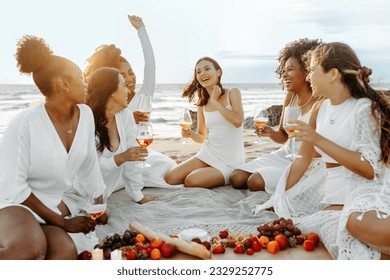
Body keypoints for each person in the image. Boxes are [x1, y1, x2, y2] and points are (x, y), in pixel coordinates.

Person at [255, 42, 389, 259]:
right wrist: (280, 197)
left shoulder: (363, 109)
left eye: (313, 69)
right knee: (330, 234)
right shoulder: (320, 108)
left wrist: (318, 139)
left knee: (352, 227)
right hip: (334, 201)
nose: (308, 76)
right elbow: (302, 159)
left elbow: (368, 168)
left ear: (333, 74)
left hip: (369, 195)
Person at [0, 35, 106, 259]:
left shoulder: (85, 115)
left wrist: (99, 201)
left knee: (65, 252)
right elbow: (11, 186)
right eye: (81, 77)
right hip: (13, 203)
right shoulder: (25, 123)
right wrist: (61, 222)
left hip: (49, 207)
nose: (86, 82)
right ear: (63, 83)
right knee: (30, 249)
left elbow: (88, 165)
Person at [230, 38, 321, 193]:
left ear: (307, 70)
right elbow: (283, 137)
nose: (284, 74)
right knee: (236, 177)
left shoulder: (322, 100)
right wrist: (270, 133)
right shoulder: (290, 96)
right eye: (283, 70)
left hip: (309, 162)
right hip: (285, 154)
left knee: (255, 181)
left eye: (290, 69)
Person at [85, 67, 176, 204]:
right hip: (81, 190)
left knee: (160, 166)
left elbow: (133, 160)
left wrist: (137, 196)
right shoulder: (86, 120)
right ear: (111, 92)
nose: (128, 91)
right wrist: (121, 158)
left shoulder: (125, 115)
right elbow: (89, 170)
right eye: (124, 86)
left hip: (107, 188)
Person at [164, 57, 245, 188]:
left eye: (207, 69)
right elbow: (201, 137)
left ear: (218, 72)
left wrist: (214, 101)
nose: (202, 74)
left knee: (191, 180)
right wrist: (190, 133)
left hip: (230, 160)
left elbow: (237, 121)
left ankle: (226, 174)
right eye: (198, 72)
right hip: (209, 153)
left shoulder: (232, 93)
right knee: (171, 177)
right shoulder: (202, 105)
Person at [83, 15, 154, 124]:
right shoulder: (106, 106)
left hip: (143, 141)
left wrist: (141, 30)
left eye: (131, 73)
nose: (130, 79)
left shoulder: (144, 96)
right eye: (123, 75)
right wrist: (129, 119)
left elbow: (150, 63)